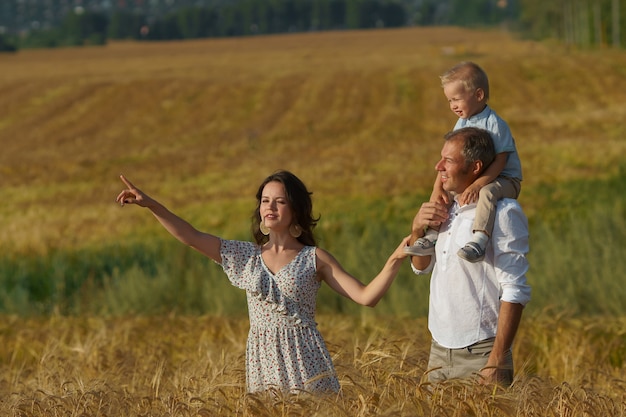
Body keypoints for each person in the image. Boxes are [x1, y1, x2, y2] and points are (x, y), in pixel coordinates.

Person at [115, 170, 410, 394]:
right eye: (265, 201)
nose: (270, 207)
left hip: (307, 362)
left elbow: (366, 296)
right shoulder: (245, 255)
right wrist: (152, 205)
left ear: (295, 209)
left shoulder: (314, 258)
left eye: (280, 201)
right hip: (262, 362)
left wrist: (395, 259)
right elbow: (190, 236)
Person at [407, 127, 531, 386]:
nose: (438, 166)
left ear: (475, 167)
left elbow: (514, 290)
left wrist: (496, 360)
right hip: (438, 351)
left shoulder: (503, 211)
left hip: (482, 354)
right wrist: (417, 229)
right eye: (441, 158)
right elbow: (422, 268)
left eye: (449, 161)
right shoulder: (445, 209)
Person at [406, 61, 523, 262]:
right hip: (477, 177)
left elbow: (500, 161)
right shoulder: (462, 123)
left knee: (487, 192)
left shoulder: (495, 124)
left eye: (457, 100)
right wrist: (438, 187)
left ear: (478, 95)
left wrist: (477, 185)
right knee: (444, 195)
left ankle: (479, 239)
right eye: (449, 101)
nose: (453, 106)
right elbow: (448, 157)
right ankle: (432, 235)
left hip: (504, 179)